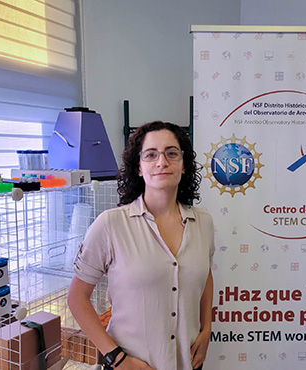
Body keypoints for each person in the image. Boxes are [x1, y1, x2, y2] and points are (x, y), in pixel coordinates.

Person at [69, 121, 215, 370]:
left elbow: (205, 275)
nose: (162, 162)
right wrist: (115, 358)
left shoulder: (203, 223)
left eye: (172, 153)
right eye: (151, 155)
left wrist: (206, 329)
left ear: (184, 165)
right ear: (138, 167)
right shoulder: (111, 224)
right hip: (130, 365)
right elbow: (77, 299)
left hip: (187, 362)